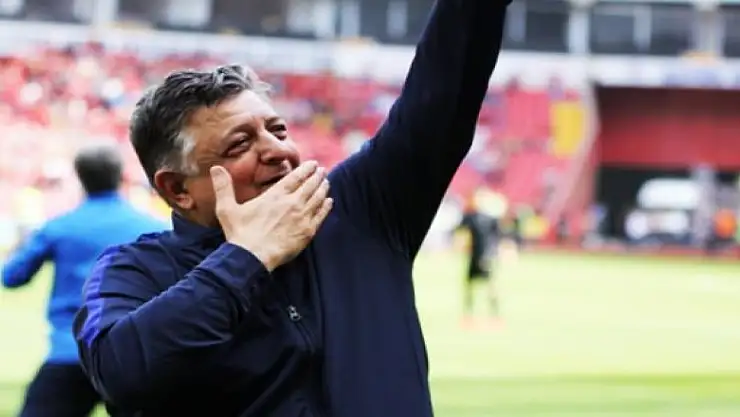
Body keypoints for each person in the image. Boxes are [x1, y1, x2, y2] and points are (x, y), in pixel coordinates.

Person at [73, 1, 510, 416]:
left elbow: (444, 88)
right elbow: (120, 373)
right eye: (240, 144)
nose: (278, 150)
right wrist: (246, 257)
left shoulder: (356, 211)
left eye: (278, 130)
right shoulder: (135, 270)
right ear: (178, 189)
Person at [2, 144, 166, 417]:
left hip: (71, 352)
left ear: (80, 178)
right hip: (133, 356)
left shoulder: (60, 227)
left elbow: (12, 277)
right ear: (121, 176)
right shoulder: (154, 228)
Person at [456, 190, 503, 323]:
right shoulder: (472, 217)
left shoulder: (489, 219)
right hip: (476, 255)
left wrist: (494, 254)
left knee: (490, 285)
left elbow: (497, 238)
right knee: (471, 284)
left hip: (485, 255)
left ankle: (494, 314)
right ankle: (469, 313)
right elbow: (460, 231)